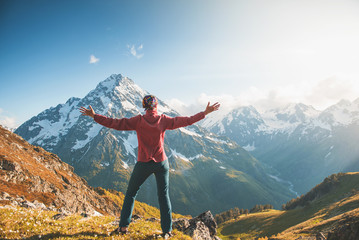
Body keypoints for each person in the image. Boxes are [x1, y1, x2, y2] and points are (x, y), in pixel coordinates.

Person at [80, 95, 220, 238]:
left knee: (130, 194)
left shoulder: (138, 120)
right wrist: (205, 113)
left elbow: (116, 123)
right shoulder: (163, 120)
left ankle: (123, 228)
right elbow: (186, 121)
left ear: (144, 106)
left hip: (143, 163)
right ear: (156, 106)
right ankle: (167, 231)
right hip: (161, 163)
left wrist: (95, 116)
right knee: (164, 196)